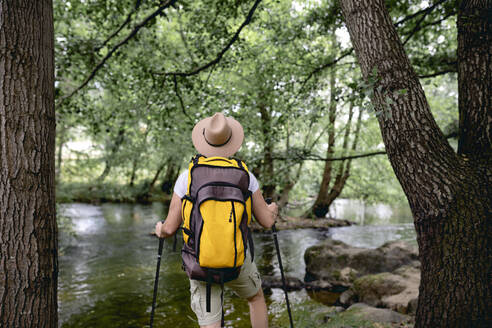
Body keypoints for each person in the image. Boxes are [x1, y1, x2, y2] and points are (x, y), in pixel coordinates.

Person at [155, 112, 278, 328]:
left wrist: (160, 230)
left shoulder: (188, 177)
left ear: (204, 141)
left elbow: (170, 227)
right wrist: (273, 209)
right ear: (232, 143)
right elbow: (267, 221)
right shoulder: (246, 176)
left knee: (211, 322)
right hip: (237, 259)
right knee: (256, 299)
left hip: (199, 262)